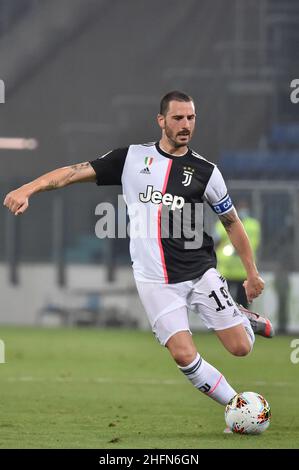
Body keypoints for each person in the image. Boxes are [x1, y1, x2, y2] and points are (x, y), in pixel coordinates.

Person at [4, 90, 274, 417]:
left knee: (241, 348)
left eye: (190, 118)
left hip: (199, 272)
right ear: (161, 121)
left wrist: (252, 273)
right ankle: (239, 407)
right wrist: (27, 188)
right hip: (154, 281)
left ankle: (240, 316)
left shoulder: (206, 172)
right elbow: (73, 172)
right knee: (182, 354)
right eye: (177, 118)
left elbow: (232, 223)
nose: (185, 124)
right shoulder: (131, 158)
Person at [214, 201, 261, 308]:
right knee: (227, 304)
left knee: (242, 305)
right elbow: (215, 243)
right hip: (227, 271)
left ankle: (243, 324)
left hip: (244, 272)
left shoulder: (253, 225)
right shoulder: (253, 225)